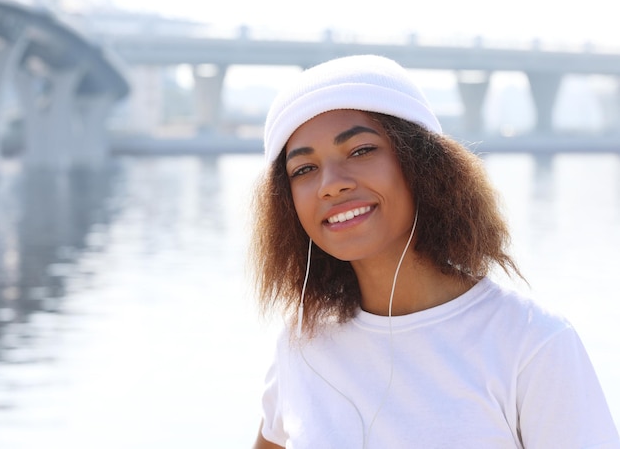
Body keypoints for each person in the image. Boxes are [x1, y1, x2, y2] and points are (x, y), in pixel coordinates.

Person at [249, 54, 619, 449]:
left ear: (422, 163)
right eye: (303, 169)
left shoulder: (532, 343)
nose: (331, 184)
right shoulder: (300, 345)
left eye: (361, 150)